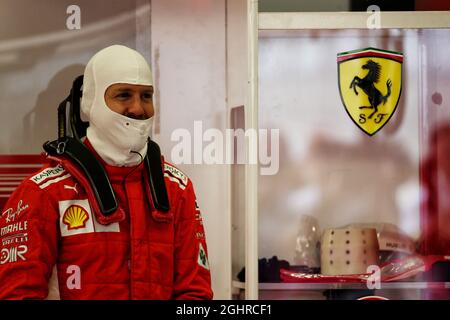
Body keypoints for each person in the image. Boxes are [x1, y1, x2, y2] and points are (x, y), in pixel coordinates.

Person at [0, 45, 213, 300]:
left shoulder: (176, 188)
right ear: (90, 103)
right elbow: (16, 294)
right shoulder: (42, 193)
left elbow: (195, 294)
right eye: (123, 95)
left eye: (146, 96)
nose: (137, 108)